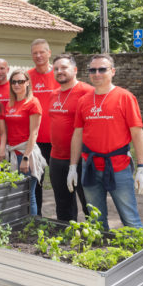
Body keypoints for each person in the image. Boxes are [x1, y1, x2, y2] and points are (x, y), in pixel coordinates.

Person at [70, 54, 143, 230]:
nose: (97, 73)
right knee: (95, 221)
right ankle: (101, 247)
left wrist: (142, 167)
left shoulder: (125, 97)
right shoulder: (83, 101)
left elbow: (137, 133)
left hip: (118, 167)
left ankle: (138, 247)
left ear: (112, 71)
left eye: (102, 69)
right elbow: (78, 134)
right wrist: (73, 166)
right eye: (92, 70)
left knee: (130, 219)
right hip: (90, 167)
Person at [48, 54, 92, 222]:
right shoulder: (54, 94)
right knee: (62, 204)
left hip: (81, 159)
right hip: (56, 158)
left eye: (64, 68)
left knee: (89, 204)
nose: (60, 71)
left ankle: (95, 235)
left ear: (75, 70)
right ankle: (67, 233)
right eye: (56, 69)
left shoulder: (87, 92)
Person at [3, 69, 45, 215]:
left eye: (20, 81)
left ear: (27, 83)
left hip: (25, 153)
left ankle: (31, 225)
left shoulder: (33, 103)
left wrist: (26, 157)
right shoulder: (9, 104)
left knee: (28, 194)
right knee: (15, 195)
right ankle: (20, 223)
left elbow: (34, 133)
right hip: (12, 154)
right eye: (14, 82)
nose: (17, 84)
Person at [28, 38, 59, 215]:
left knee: (59, 182)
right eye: (35, 53)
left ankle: (64, 220)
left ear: (49, 53)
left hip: (56, 140)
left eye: (42, 52)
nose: (38, 55)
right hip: (35, 140)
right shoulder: (27, 77)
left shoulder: (59, 74)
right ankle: (36, 218)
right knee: (36, 181)